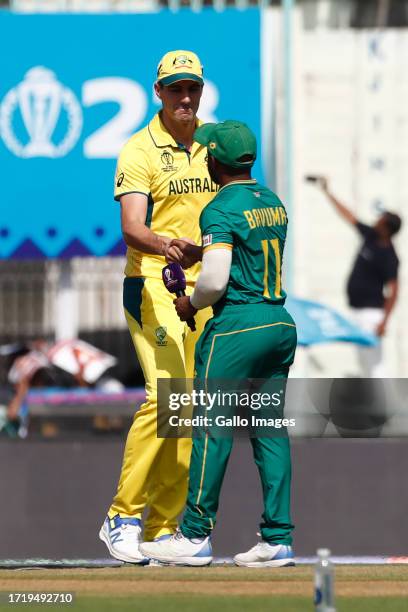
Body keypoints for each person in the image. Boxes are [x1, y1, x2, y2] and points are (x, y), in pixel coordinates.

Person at [140, 120, 297, 567]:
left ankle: (193, 535)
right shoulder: (273, 201)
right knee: (269, 430)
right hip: (279, 323)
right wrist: (202, 252)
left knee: (211, 425)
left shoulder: (218, 207)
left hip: (236, 328)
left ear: (214, 161)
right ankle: (278, 537)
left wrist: (190, 304)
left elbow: (214, 282)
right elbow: (242, 252)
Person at [99, 50, 215, 563]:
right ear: (158, 92)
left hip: (204, 288)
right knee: (165, 396)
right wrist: (167, 244)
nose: (185, 98)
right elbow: (132, 227)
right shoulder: (139, 148)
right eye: (175, 89)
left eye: (192, 88)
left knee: (193, 406)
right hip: (152, 283)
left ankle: (167, 529)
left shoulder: (214, 143)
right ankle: (122, 516)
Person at [317, 177, 401, 377]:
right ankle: (376, 405)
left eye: (381, 219)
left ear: (387, 228)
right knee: (365, 363)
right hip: (357, 310)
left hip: (371, 314)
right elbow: (349, 216)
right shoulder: (371, 235)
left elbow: (394, 291)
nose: (377, 220)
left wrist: (384, 322)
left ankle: (385, 407)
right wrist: (327, 192)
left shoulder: (389, 256)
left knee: (375, 365)